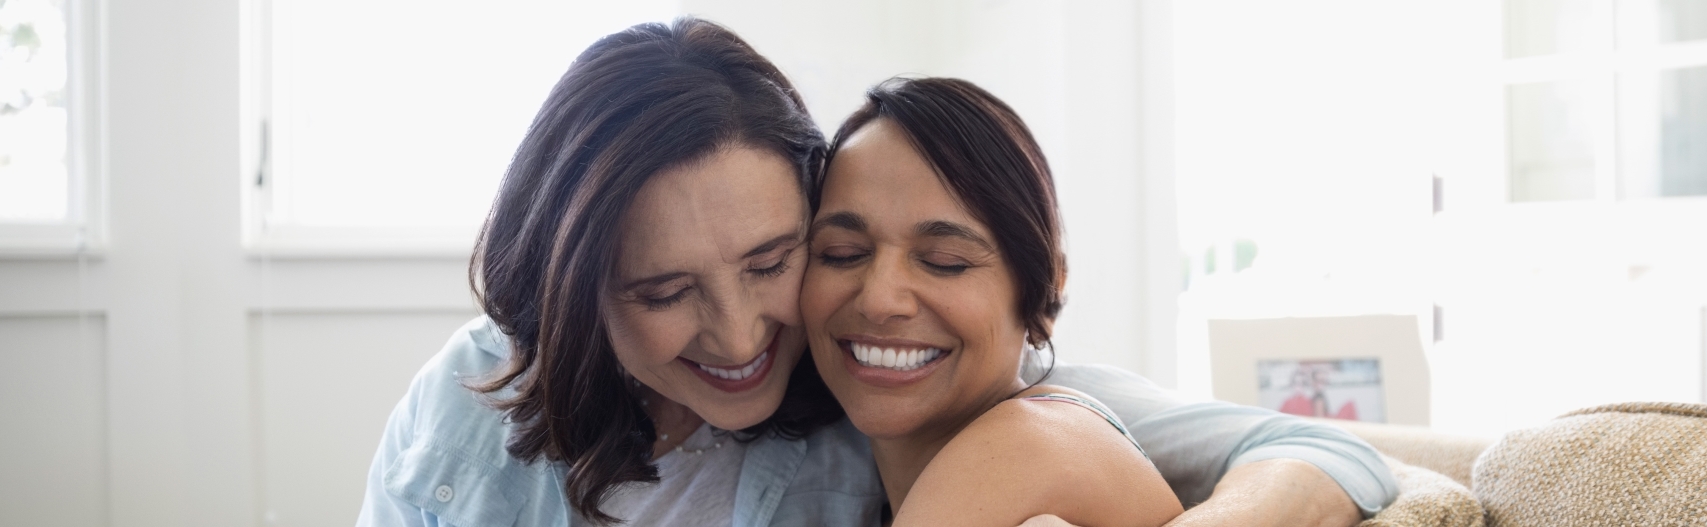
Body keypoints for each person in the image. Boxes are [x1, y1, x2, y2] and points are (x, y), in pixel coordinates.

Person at [357, 17, 1398, 527]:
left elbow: (1325, 453)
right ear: (573, 291)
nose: (736, 333)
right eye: (664, 291)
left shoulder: (891, 389)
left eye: (773, 260)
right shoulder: (466, 399)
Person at [801, 77, 1182, 525]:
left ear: (1044, 295)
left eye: (944, 262)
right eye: (841, 253)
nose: (880, 300)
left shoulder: (1030, 444)